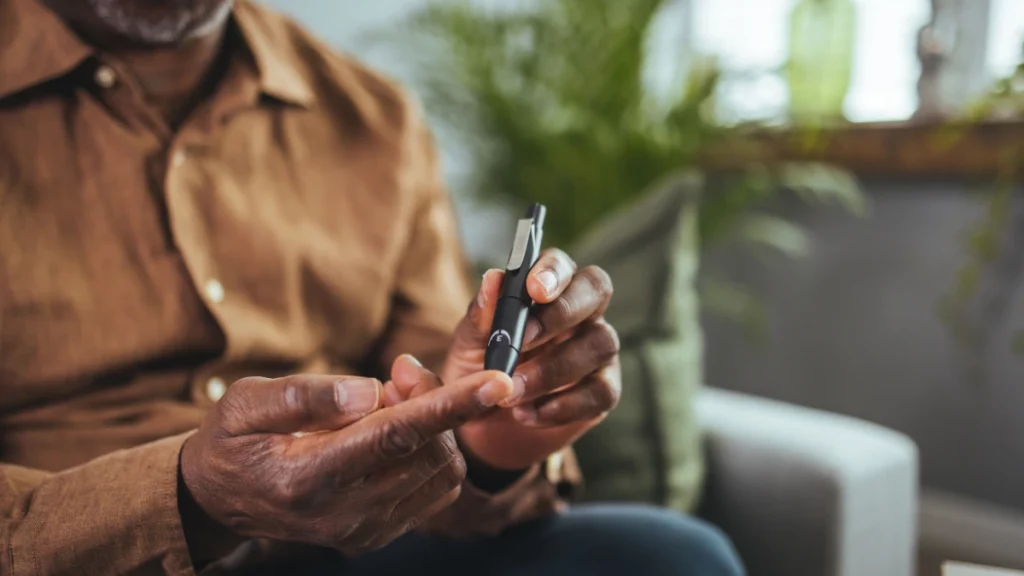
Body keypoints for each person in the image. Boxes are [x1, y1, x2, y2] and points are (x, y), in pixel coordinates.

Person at [0, 0, 745, 575]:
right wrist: (191, 498)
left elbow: (433, 416)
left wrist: (492, 437)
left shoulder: (376, 121)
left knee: (673, 558)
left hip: (343, 554)